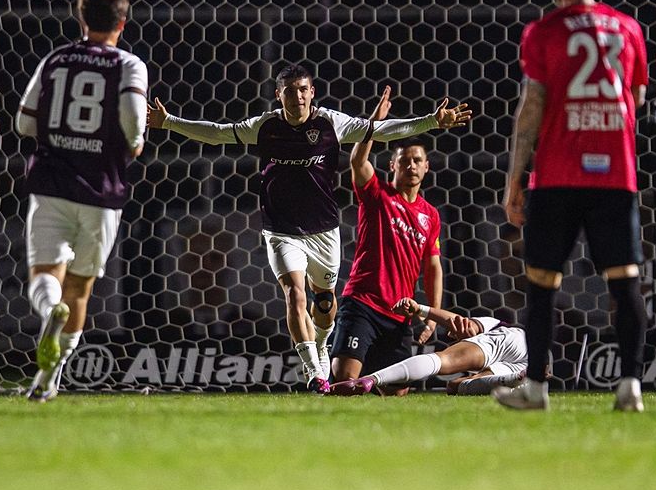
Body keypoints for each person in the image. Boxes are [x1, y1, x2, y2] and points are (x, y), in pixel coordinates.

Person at [148, 66, 468, 392]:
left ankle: (324, 340)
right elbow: (217, 132)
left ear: (312, 92)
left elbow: (382, 131)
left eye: (303, 89)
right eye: (290, 90)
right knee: (295, 295)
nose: (297, 96)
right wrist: (169, 122)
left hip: (324, 232)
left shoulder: (330, 122)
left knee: (325, 306)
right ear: (279, 94)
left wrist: (431, 121)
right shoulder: (266, 126)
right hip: (281, 230)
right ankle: (314, 370)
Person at [494, 0, 650, 412]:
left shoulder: (543, 32)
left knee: (542, 284)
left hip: (559, 173)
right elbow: (637, 99)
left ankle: (537, 388)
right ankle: (630, 388)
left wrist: (514, 178)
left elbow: (532, 106)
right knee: (623, 281)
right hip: (615, 174)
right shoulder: (627, 28)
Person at [17, 0, 148, 402]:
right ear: (122, 23)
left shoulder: (56, 59)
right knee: (80, 290)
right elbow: (132, 119)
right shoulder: (129, 65)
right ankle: (47, 383)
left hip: (52, 184)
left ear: (80, 17)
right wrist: (134, 141)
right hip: (101, 191)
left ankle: (47, 313)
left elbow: (23, 121)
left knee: (45, 278)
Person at [328, 89, 470, 394]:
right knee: (343, 380)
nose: (411, 165)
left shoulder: (430, 215)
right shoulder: (377, 195)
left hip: (400, 313)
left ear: (426, 167)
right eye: (404, 160)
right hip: (362, 305)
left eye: (417, 160)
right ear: (393, 165)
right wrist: (373, 125)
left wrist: (431, 314)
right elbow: (357, 161)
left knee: (398, 393)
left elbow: (433, 267)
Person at [329, 297, 527, 396]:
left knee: (445, 360)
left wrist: (420, 309)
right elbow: (461, 325)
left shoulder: (493, 324)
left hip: (516, 341)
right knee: (455, 386)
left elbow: (463, 323)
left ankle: (370, 379)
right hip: (524, 362)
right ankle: (515, 379)